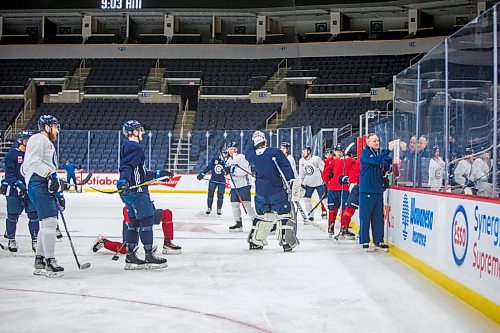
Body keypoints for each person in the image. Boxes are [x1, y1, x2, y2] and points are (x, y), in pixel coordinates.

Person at [117, 120, 171, 270]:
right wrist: (123, 181)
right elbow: (126, 167)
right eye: (140, 130)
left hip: (130, 192)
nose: (142, 133)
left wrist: (159, 174)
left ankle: (131, 256)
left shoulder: (127, 146)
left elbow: (140, 172)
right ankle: (149, 255)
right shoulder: (135, 146)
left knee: (133, 224)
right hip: (138, 192)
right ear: (133, 132)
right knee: (147, 220)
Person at [21, 115, 65, 277]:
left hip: (42, 183)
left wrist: (54, 180)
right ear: (46, 127)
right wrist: (48, 175)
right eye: (54, 126)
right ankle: (49, 261)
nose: (57, 130)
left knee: (46, 223)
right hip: (38, 183)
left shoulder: (45, 141)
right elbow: (32, 162)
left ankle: (39, 260)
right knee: (50, 222)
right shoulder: (38, 139)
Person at [245, 130, 298, 252]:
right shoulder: (275, 152)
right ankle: (286, 241)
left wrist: (253, 140)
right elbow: (286, 169)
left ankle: (255, 241)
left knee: (264, 216)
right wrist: (292, 183)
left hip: (260, 193)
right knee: (284, 214)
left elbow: (248, 151)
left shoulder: (252, 156)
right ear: (265, 141)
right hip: (276, 191)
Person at [0, 130, 39, 253]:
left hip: (30, 190)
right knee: (12, 215)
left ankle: (35, 239)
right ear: (22, 140)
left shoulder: (33, 155)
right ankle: (11, 238)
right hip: (14, 191)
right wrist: (19, 185)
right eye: (28, 139)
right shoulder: (12, 155)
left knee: (34, 216)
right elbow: (9, 175)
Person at [92, 206, 181, 255]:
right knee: (127, 250)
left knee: (166, 214)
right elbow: (126, 209)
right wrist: (130, 223)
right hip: (133, 218)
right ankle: (104, 242)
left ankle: (167, 243)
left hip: (146, 214)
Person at [359, 133, 394, 251]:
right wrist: (388, 150)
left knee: (378, 217)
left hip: (377, 190)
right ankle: (364, 241)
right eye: (374, 141)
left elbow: (384, 162)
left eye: (378, 140)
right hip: (367, 190)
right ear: (368, 142)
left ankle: (378, 240)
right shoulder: (365, 153)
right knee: (366, 216)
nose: (377, 143)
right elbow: (375, 161)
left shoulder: (377, 153)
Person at [322, 144, 355, 235]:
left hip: (344, 189)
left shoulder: (350, 161)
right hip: (334, 189)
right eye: (337, 151)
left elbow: (352, 173)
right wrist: (328, 183)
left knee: (345, 210)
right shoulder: (330, 161)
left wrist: (349, 182)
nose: (339, 152)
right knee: (333, 209)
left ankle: (344, 228)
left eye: (340, 151)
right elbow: (325, 174)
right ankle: (331, 227)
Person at [223, 141, 257, 232]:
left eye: (232, 149)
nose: (230, 151)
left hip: (244, 185)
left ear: (236, 149)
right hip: (234, 186)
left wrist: (232, 171)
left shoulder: (241, 157)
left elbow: (244, 171)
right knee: (234, 205)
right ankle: (238, 223)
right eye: (229, 149)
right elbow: (228, 175)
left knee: (247, 205)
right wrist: (227, 173)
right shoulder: (228, 160)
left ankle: (256, 222)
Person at [298, 146, 326, 222]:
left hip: (319, 183)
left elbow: (324, 169)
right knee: (306, 199)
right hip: (309, 183)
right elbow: (302, 173)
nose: (303, 153)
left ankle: (329, 214)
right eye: (302, 151)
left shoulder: (316, 159)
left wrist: (326, 180)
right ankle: (310, 215)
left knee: (324, 200)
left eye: (304, 151)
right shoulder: (301, 161)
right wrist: (300, 182)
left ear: (309, 152)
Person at [335, 157, 360, 240]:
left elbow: (354, 176)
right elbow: (354, 175)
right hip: (356, 187)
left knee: (351, 210)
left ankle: (344, 229)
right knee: (350, 209)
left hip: (357, 187)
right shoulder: (357, 161)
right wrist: (347, 179)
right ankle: (344, 228)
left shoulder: (356, 161)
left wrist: (346, 179)